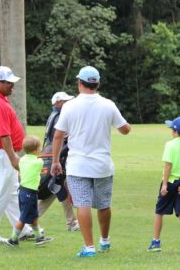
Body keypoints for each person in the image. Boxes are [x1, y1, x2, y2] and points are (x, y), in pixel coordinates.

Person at [50, 66, 131, 258]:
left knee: (82, 204)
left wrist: (55, 161)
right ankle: (104, 241)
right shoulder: (108, 105)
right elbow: (125, 129)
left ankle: (89, 247)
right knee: (103, 204)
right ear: (98, 84)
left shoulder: (69, 106)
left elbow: (58, 136)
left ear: (79, 83)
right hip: (102, 165)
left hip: (78, 165)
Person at [0, 66, 32, 243]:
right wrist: (14, 159)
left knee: (10, 192)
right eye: (9, 83)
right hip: (1, 153)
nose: (12, 86)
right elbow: (4, 136)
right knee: (0, 193)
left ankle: (22, 228)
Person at [147, 117, 180, 254]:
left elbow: (168, 165)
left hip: (169, 182)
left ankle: (156, 242)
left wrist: (164, 185)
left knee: (159, 212)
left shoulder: (170, 145)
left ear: (175, 131)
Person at [38, 92, 80, 232]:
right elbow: (61, 140)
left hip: (55, 158)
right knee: (55, 189)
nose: (68, 103)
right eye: (64, 101)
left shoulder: (54, 116)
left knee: (59, 189)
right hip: (58, 159)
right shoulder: (60, 118)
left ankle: (72, 222)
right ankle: (28, 220)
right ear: (57, 103)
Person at [7, 136, 54, 246]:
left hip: (23, 192)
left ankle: (39, 237)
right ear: (37, 149)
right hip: (29, 193)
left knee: (34, 216)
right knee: (23, 218)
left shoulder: (22, 160)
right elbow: (42, 162)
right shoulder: (38, 162)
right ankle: (13, 239)